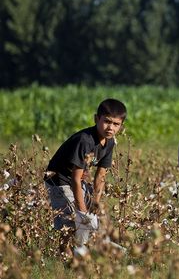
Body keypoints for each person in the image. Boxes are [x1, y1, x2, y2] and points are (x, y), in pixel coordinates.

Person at [44, 98, 127, 255]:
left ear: (121, 126)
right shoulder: (85, 140)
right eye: (107, 122)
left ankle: (82, 252)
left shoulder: (109, 142)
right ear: (96, 119)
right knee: (68, 220)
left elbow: (101, 175)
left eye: (116, 124)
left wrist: (95, 202)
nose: (110, 127)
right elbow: (74, 178)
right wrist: (81, 210)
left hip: (77, 180)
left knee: (92, 218)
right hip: (59, 180)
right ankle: (66, 259)